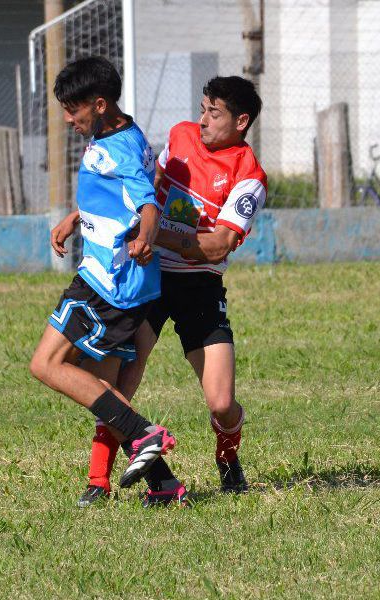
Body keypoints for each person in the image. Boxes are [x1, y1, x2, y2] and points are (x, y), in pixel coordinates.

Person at [55, 75, 266, 503]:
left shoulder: (250, 177)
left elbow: (218, 245)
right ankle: (98, 480)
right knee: (117, 383)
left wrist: (154, 233)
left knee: (222, 402)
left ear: (241, 121)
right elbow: (139, 188)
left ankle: (227, 459)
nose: (202, 119)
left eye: (214, 113)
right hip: (149, 276)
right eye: (202, 108)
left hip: (199, 286)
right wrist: (82, 213)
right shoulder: (180, 137)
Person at [29, 56, 183, 502]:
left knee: (47, 364)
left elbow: (147, 202)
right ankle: (164, 483)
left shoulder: (119, 148)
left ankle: (143, 433)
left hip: (107, 281)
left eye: (72, 110)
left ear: (98, 104)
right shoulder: (113, 133)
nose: (66, 119)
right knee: (106, 387)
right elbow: (116, 192)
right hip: (110, 276)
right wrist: (77, 217)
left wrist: (147, 237)